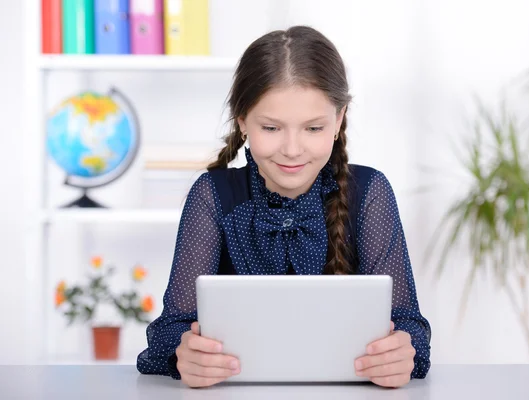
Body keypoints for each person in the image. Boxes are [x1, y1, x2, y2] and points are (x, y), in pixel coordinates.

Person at [136, 25, 431, 389]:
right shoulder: (211, 195)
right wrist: (184, 354)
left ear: (338, 121)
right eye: (272, 128)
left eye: (313, 128)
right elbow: (170, 330)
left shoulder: (369, 191)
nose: (292, 149)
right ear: (242, 120)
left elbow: (408, 323)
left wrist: (404, 351)